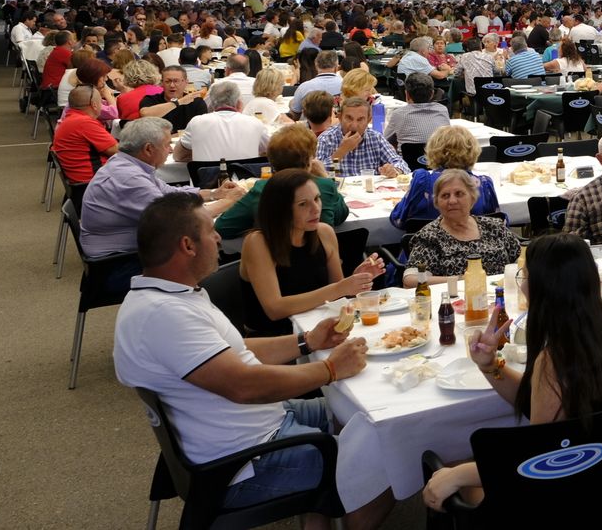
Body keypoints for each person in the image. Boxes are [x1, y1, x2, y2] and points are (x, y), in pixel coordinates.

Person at [112, 193, 394, 529]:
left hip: (256, 427)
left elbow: (234, 350)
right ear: (187, 245)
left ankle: (322, 508)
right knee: (388, 455)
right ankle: (341, 494)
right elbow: (243, 386)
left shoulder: (168, 295)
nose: (218, 237)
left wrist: (307, 341)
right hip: (243, 463)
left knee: (367, 416)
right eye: (210, 231)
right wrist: (329, 369)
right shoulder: (164, 316)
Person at [423, 233, 602, 512]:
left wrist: (458, 474)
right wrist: (490, 365)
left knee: (448, 468)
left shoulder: (553, 360)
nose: (522, 284)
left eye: (524, 275)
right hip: (598, 478)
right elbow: (535, 398)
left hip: (553, 495)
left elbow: (536, 456)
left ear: (543, 287)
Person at [82, 119, 245, 271]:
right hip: (117, 263)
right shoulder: (129, 178)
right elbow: (179, 219)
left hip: (129, 249)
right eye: (167, 145)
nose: (171, 149)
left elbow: (169, 194)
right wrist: (228, 202)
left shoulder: (127, 163)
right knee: (208, 249)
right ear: (148, 149)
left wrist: (214, 194)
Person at [240, 169, 384, 336]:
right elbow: (275, 309)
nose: (316, 209)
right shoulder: (258, 242)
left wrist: (354, 282)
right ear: (281, 209)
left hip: (319, 329)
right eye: (303, 204)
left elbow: (336, 298)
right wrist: (340, 288)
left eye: (317, 199)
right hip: (275, 340)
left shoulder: (324, 233)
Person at [217, 124, 348, 238]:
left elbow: (223, 227)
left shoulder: (262, 189)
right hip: (318, 259)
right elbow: (341, 215)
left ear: (272, 160)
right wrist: (324, 176)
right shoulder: (324, 185)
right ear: (309, 160)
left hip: (273, 260)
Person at [403, 169, 519, 278]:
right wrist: (462, 280)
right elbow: (411, 279)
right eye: (445, 196)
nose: (452, 201)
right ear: (437, 202)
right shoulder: (430, 236)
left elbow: (524, 258)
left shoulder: (494, 227)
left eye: (459, 194)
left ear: (472, 198)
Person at [390, 126, 500, 228]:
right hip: (474, 247)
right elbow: (498, 225)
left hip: (426, 246)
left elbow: (398, 219)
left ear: (433, 151)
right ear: (473, 152)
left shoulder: (422, 182)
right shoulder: (484, 185)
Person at [173, 80, 269, 164]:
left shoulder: (197, 122)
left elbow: (178, 156)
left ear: (211, 104)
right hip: (245, 182)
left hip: (207, 182)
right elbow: (270, 150)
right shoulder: (255, 123)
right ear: (239, 103)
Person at [315, 97, 407, 178]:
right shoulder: (326, 139)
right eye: (349, 118)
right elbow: (316, 174)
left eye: (360, 119)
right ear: (340, 117)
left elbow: (402, 164)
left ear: (368, 120)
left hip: (371, 193)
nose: (354, 125)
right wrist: (341, 151)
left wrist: (394, 170)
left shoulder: (375, 138)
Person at [52, 84, 118, 184]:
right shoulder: (84, 123)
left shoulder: (71, 119)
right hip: (95, 182)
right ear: (94, 104)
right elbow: (116, 150)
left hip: (81, 179)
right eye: (101, 101)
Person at [382, 73, 450, 147]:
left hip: (406, 158)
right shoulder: (442, 109)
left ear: (407, 94)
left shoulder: (398, 114)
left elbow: (385, 140)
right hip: (436, 157)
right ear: (432, 94)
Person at [138, 65, 208, 132]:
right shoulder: (150, 99)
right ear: (161, 83)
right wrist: (178, 102)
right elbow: (145, 115)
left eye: (176, 81)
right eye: (167, 81)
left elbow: (202, 129)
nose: (172, 85)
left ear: (186, 82)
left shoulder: (196, 103)